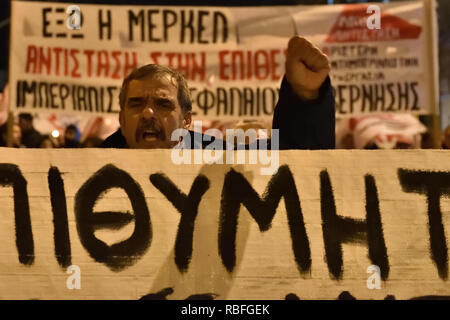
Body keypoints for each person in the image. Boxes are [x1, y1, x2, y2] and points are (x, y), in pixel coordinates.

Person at [101, 36, 335, 150]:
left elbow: (290, 161)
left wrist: (305, 99)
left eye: (163, 104)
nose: (148, 113)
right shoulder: (80, 171)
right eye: (136, 103)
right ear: (121, 119)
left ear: (186, 120)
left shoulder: (216, 159)